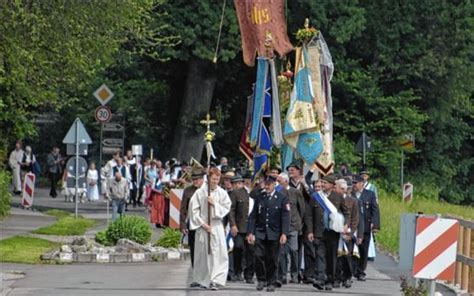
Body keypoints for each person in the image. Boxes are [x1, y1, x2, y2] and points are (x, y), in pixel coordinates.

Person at [189, 167, 232, 290]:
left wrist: (214, 204)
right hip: (203, 226)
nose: (215, 182)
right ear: (208, 178)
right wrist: (203, 224)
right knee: (203, 255)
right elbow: (194, 210)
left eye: (217, 179)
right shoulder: (200, 192)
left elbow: (226, 207)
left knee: (218, 254)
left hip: (216, 226)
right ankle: (203, 279)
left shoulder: (221, 192)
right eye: (213, 179)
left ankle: (216, 279)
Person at [247, 175, 290, 292]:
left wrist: (284, 233)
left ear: (274, 184)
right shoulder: (260, 197)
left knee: (272, 258)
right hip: (260, 232)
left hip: (275, 233)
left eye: (269, 184)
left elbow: (285, 217)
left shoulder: (282, 198)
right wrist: (250, 232)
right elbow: (253, 216)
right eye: (265, 184)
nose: (266, 186)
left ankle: (271, 281)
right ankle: (261, 279)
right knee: (258, 256)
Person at [276, 172, 305, 285]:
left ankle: (294, 274)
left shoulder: (295, 192)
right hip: (281, 227)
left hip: (293, 226)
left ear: (286, 181)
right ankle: (282, 275)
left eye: (279, 181)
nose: (277, 183)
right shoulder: (277, 192)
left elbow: (301, 209)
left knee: (294, 251)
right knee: (282, 252)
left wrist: (299, 223)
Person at [352, 175, 380, 281]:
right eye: (353, 183)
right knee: (352, 250)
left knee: (363, 250)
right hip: (353, 226)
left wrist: (375, 224)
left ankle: (361, 271)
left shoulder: (370, 194)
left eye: (356, 183)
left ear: (362, 184)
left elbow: (375, 210)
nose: (354, 185)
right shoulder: (351, 194)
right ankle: (353, 269)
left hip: (366, 226)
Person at [229, 174, 255, 284]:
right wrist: (233, 225)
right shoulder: (235, 194)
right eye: (235, 183)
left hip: (251, 228)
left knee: (251, 252)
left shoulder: (251, 193)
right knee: (238, 249)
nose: (237, 185)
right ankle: (237, 272)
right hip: (239, 227)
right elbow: (231, 210)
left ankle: (249, 275)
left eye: (239, 183)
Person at [179, 167, 205, 274]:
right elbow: (183, 209)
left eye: (197, 179)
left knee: (205, 251)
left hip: (204, 225)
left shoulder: (206, 190)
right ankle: (196, 274)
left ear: (202, 179)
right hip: (192, 225)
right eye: (193, 179)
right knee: (194, 251)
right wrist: (183, 225)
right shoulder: (188, 191)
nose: (195, 181)